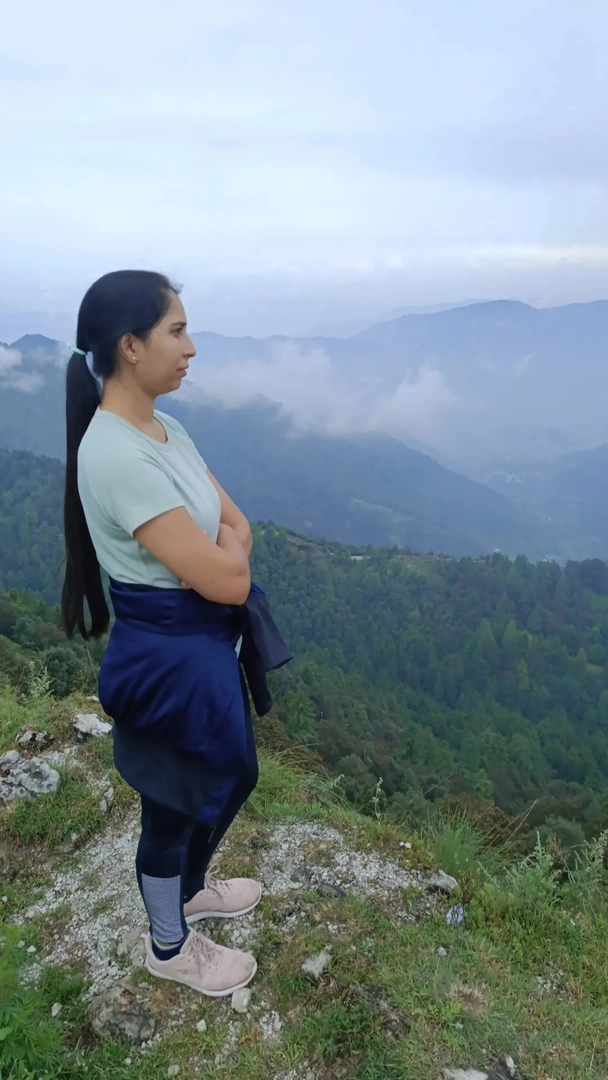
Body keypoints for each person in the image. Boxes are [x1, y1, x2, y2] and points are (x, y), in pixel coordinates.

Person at [61, 269, 289, 997]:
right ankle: (168, 944)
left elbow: (238, 529)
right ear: (131, 346)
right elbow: (231, 575)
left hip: (203, 642)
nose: (191, 348)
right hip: (166, 655)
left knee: (233, 772)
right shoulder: (115, 453)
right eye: (177, 331)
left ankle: (189, 890)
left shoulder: (167, 430)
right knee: (173, 799)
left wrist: (222, 559)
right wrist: (222, 563)